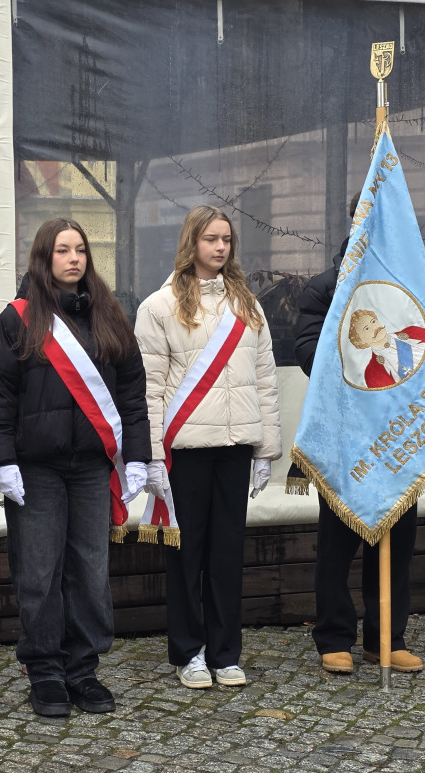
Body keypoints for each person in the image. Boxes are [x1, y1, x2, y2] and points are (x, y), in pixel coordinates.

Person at [0, 218, 150, 717]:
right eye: (62, 251)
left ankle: (83, 670)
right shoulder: (17, 320)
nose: (73, 258)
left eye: (80, 250)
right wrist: (2, 461)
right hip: (37, 470)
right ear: (44, 257)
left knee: (90, 570)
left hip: (92, 469)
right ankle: (46, 670)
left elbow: (132, 396)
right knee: (39, 571)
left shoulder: (110, 315)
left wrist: (137, 455)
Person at [135, 204, 281, 689]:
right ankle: (188, 652)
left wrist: (266, 449)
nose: (220, 248)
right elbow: (150, 389)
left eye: (227, 240)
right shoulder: (159, 307)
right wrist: (153, 455)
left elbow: (265, 382)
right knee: (186, 553)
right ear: (191, 243)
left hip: (235, 447)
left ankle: (224, 653)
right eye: (211, 239)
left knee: (226, 554)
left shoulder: (248, 306)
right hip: (187, 451)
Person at [292, 193, 423, 675]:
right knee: (338, 544)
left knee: (396, 544)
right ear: (357, 219)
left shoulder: (409, 284)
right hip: (347, 440)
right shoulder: (327, 287)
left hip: (399, 439)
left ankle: (386, 639)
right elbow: (308, 352)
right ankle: (334, 637)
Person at [347, 308, 425, 387]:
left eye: (373, 321)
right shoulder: (373, 374)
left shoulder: (413, 331)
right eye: (367, 328)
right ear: (361, 341)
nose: (374, 327)